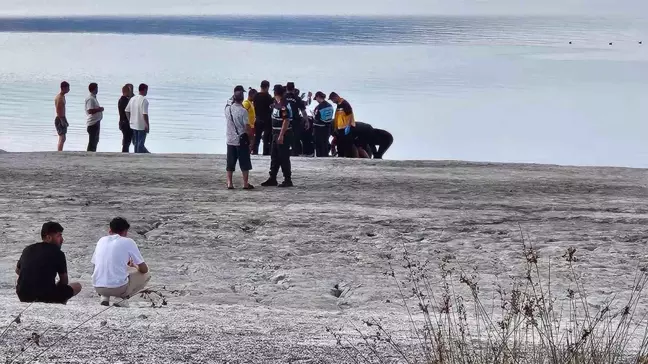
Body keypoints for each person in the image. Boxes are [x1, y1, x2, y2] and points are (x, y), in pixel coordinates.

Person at [15, 222, 82, 304]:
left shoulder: (28, 249)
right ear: (48, 237)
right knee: (77, 286)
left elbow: (17, 271)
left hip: (23, 295)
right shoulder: (58, 253)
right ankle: (61, 301)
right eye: (59, 236)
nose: (62, 240)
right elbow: (64, 281)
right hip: (46, 297)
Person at [92, 217, 151, 308]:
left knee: (114, 269)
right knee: (147, 274)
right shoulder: (128, 241)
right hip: (118, 288)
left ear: (110, 230)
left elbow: (95, 264)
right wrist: (134, 266)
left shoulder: (101, 240)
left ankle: (105, 297)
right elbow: (144, 269)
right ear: (125, 231)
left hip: (98, 287)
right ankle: (121, 299)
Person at [261, 84, 293, 188]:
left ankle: (287, 179)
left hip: (282, 134)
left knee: (283, 156)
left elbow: (286, 120)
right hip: (275, 133)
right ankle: (272, 178)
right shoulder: (276, 103)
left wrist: (281, 135)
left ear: (275, 92)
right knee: (274, 156)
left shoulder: (283, 105)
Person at [225, 90, 254, 190]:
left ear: (233, 98)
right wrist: (251, 139)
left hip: (230, 139)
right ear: (242, 99)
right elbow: (247, 127)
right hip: (241, 140)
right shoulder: (243, 111)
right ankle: (245, 183)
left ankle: (229, 183)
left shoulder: (227, 110)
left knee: (230, 162)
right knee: (244, 163)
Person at [285, 82, 309, 156]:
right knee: (295, 138)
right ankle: (295, 153)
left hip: (284, 120)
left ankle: (285, 152)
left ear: (286, 88)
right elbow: (303, 111)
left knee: (285, 136)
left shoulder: (283, 97)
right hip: (295, 121)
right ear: (293, 89)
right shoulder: (297, 98)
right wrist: (307, 121)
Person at [329, 92, 356, 158]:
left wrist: (348, 126)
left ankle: (349, 157)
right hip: (340, 128)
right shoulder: (339, 104)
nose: (333, 102)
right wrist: (336, 127)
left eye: (332, 100)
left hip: (346, 128)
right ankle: (341, 156)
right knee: (340, 145)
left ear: (336, 97)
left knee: (347, 144)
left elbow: (350, 115)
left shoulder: (345, 103)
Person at [126, 83, 150, 153]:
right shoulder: (144, 100)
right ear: (144, 90)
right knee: (140, 143)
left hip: (133, 124)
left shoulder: (133, 99)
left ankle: (136, 155)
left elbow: (127, 111)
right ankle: (143, 155)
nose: (147, 92)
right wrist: (147, 124)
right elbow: (145, 114)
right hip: (141, 125)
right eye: (146, 90)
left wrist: (130, 119)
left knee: (136, 143)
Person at [253, 81, 274, 155]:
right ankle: (266, 152)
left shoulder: (255, 96)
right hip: (266, 119)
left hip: (258, 118)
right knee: (266, 137)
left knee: (257, 137)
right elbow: (272, 107)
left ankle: (255, 152)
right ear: (267, 87)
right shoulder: (268, 96)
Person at [311, 91, 335, 157]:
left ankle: (319, 157)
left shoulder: (318, 107)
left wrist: (313, 116)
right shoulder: (330, 106)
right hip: (327, 127)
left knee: (318, 144)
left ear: (318, 97)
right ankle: (325, 155)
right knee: (325, 143)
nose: (317, 101)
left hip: (318, 128)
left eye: (316, 99)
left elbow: (316, 118)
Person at [85, 83, 104, 152]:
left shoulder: (93, 98)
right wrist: (99, 109)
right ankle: (90, 154)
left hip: (96, 121)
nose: (97, 90)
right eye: (97, 88)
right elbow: (90, 110)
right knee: (92, 141)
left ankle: (92, 152)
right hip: (93, 123)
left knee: (95, 140)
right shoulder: (90, 99)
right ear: (94, 89)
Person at [118, 84, 134, 153]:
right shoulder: (124, 101)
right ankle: (125, 153)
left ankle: (125, 152)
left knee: (127, 139)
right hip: (125, 123)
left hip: (123, 122)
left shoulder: (122, 100)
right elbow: (129, 109)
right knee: (127, 141)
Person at [54, 81, 70, 152]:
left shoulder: (62, 96)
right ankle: (59, 151)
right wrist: (62, 120)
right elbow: (58, 110)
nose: (68, 89)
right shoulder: (60, 98)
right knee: (62, 137)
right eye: (67, 88)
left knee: (63, 137)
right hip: (60, 118)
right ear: (63, 88)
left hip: (62, 117)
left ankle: (60, 150)